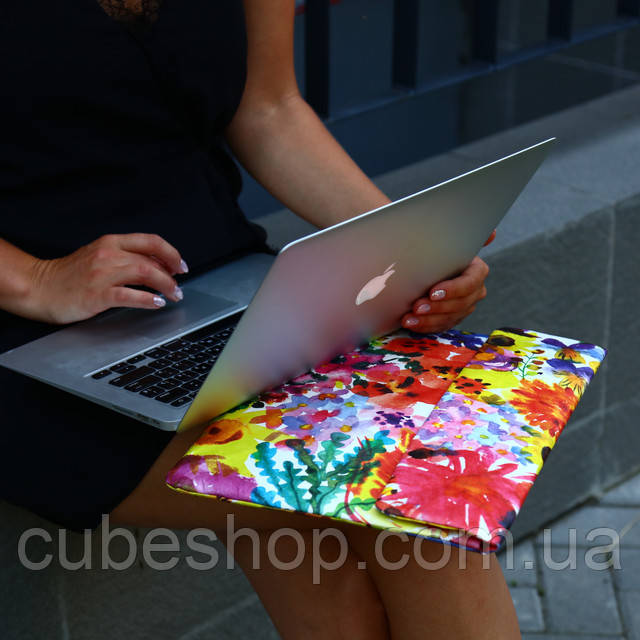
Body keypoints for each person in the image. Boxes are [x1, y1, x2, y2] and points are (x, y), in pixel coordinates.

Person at [0, 1, 520, 638]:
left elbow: (268, 108)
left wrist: (410, 251)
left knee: (423, 506)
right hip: (32, 332)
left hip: (230, 291)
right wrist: (36, 280)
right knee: (388, 502)